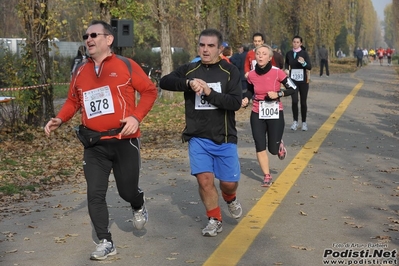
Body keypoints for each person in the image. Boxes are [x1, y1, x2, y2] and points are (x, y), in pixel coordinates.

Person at [44, 20, 157, 261]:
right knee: (95, 193)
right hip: (94, 143)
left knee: (127, 191)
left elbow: (149, 91)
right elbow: (74, 101)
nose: (89, 39)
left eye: (94, 35)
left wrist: (136, 117)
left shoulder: (125, 65)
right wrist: (60, 119)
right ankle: (106, 241)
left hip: (124, 140)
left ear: (109, 39)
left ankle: (138, 203)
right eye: (86, 36)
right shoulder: (80, 71)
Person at [159, 28, 243, 237]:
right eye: (202, 45)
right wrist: (187, 84)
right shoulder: (190, 69)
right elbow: (164, 81)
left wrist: (208, 92)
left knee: (229, 183)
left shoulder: (229, 71)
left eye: (210, 46)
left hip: (224, 136)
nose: (205, 50)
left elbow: (234, 103)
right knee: (204, 180)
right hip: (197, 136)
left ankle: (229, 198)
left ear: (220, 48)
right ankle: (214, 219)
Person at [241, 44, 296, 186]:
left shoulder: (278, 73)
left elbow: (293, 88)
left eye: (264, 54)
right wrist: (246, 98)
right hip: (257, 112)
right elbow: (249, 90)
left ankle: (279, 145)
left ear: (270, 58)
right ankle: (267, 175)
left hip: (275, 113)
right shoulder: (251, 75)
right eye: (258, 53)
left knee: (272, 149)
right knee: (259, 145)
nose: (260, 56)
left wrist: (279, 93)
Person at [284, 35, 312, 131]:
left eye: (297, 42)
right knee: (294, 101)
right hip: (293, 81)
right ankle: (295, 121)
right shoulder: (289, 53)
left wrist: (303, 63)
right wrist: (286, 69)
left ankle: (304, 122)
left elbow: (309, 66)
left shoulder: (304, 53)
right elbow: (286, 63)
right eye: (294, 42)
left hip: (303, 81)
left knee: (303, 102)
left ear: (301, 43)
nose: (295, 44)